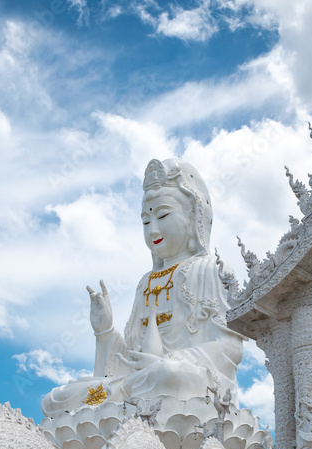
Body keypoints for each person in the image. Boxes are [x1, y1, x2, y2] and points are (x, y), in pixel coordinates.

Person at [41, 158, 246, 417]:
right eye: (146, 221)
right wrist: (104, 331)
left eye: (162, 215)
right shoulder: (145, 283)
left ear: (193, 215)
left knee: (166, 376)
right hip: (137, 384)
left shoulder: (211, 270)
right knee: (56, 399)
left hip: (186, 384)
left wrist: (168, 362)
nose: (153, 229)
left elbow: (230, 348)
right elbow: (128, 359)